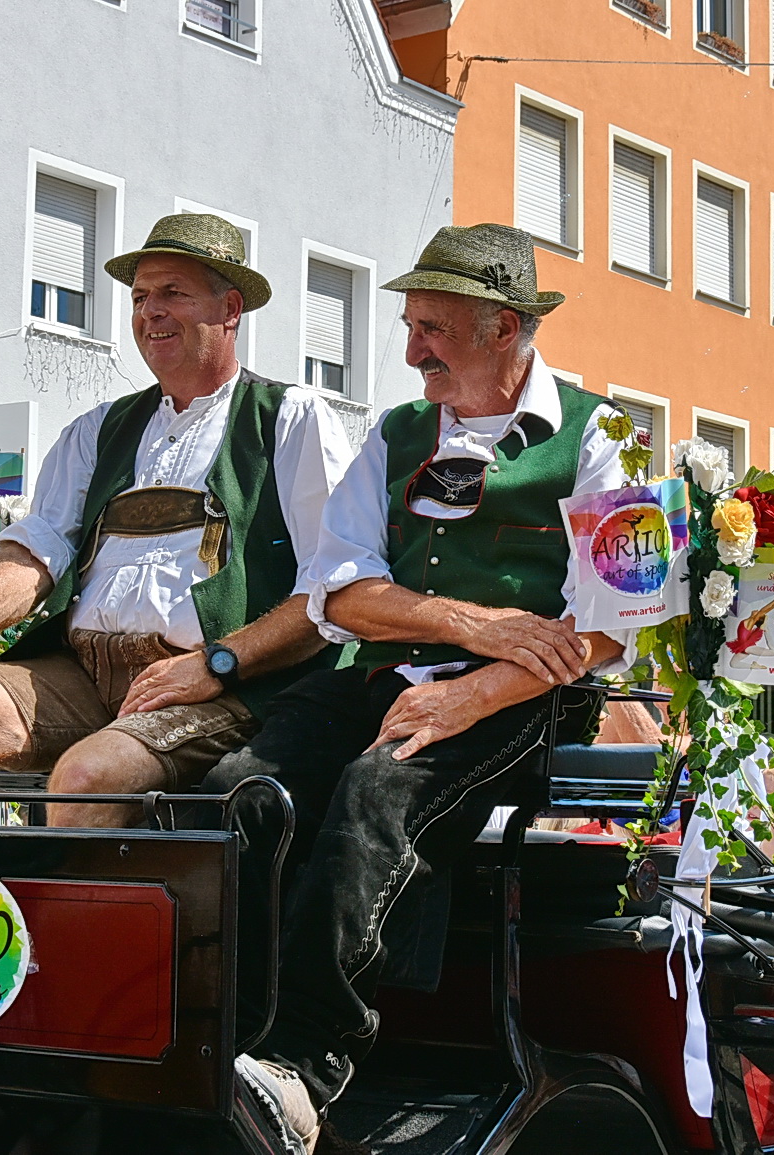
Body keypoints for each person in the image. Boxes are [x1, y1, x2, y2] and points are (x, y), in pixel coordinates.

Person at [208, 223, 636, 1153]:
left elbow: (608, 622)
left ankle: (303, 1065)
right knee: (233, 792)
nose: (411, 352)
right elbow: (341, 592)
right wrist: (467, 624)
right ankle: (225, 1031)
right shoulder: (399, 432)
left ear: (508, 327)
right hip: (389, 670)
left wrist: (471, 690)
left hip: (527, 697)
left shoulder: (600, 435)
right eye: (411, 326)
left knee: (377, 791)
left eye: (433, 328)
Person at [0, 214, 352, 827]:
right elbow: (36, 550)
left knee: (90, 775)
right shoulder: (96, 430)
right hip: (87, 678)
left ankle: (60, 921)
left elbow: (333, 590)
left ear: (230, 308)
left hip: (225, 686)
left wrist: (217, 663)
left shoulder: (290, 418)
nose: (150, 312)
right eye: (141, 297)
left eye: (173, 293)